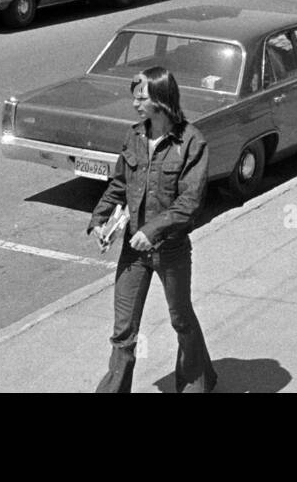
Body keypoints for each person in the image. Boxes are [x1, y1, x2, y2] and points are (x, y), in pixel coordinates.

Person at [88, 68, 218, 394]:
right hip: (133, 251)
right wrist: (101, 219)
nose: (135, 103)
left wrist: (153, 230)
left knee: (181, 320)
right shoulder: (134, 136)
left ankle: (196, 384)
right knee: (123, 330)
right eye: (135, 96)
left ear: (161, 98)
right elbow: (119, 185)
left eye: (141, 97)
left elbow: (190, 201)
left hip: (170, 250)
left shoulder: (191, 142)